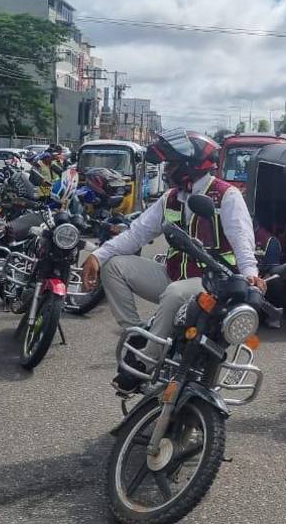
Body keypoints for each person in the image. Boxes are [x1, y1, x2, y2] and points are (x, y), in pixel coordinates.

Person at [79, 128, 261, 393]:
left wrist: (250, 274)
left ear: (191, 165)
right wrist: (97, 255)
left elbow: (243, 241)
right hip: (172, 276)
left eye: (172, 164)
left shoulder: (227, 195)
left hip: (211, 283)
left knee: (175, 293)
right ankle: (138, 334)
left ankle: (144, 362)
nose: (166, 170)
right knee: (114, 266)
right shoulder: (171, 197)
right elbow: (137, 233)